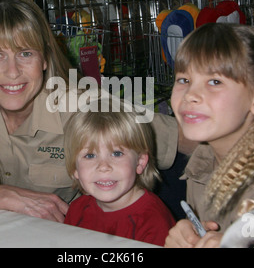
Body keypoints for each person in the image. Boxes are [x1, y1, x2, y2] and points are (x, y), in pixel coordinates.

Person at [0, 0, 183, 223]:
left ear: (45, 59)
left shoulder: (80, 103)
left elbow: (185, 140)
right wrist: (10, 198)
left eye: (25, 53)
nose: (13, 72)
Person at [164, 23, 254, 248]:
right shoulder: (201, 165)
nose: (190, 95)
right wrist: (188, 236)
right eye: (184, 80)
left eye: (215, 82)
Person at [63, 99, 175, 246]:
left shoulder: (154, 222)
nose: (103, 166)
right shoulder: (77, 209)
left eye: (116, 153)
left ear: (140, 162)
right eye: (90, 156)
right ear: (75, 169)